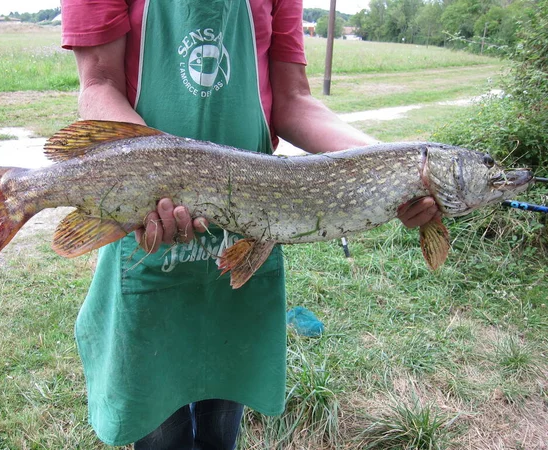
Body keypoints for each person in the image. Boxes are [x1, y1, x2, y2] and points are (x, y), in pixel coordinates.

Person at [60, 1, 438, 448]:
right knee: (161, 431)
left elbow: (293, 100)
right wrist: (154, 178)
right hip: (152, 232)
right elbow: (99, 83)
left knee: (222, 423)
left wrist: (392, 168)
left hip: (250, 238)